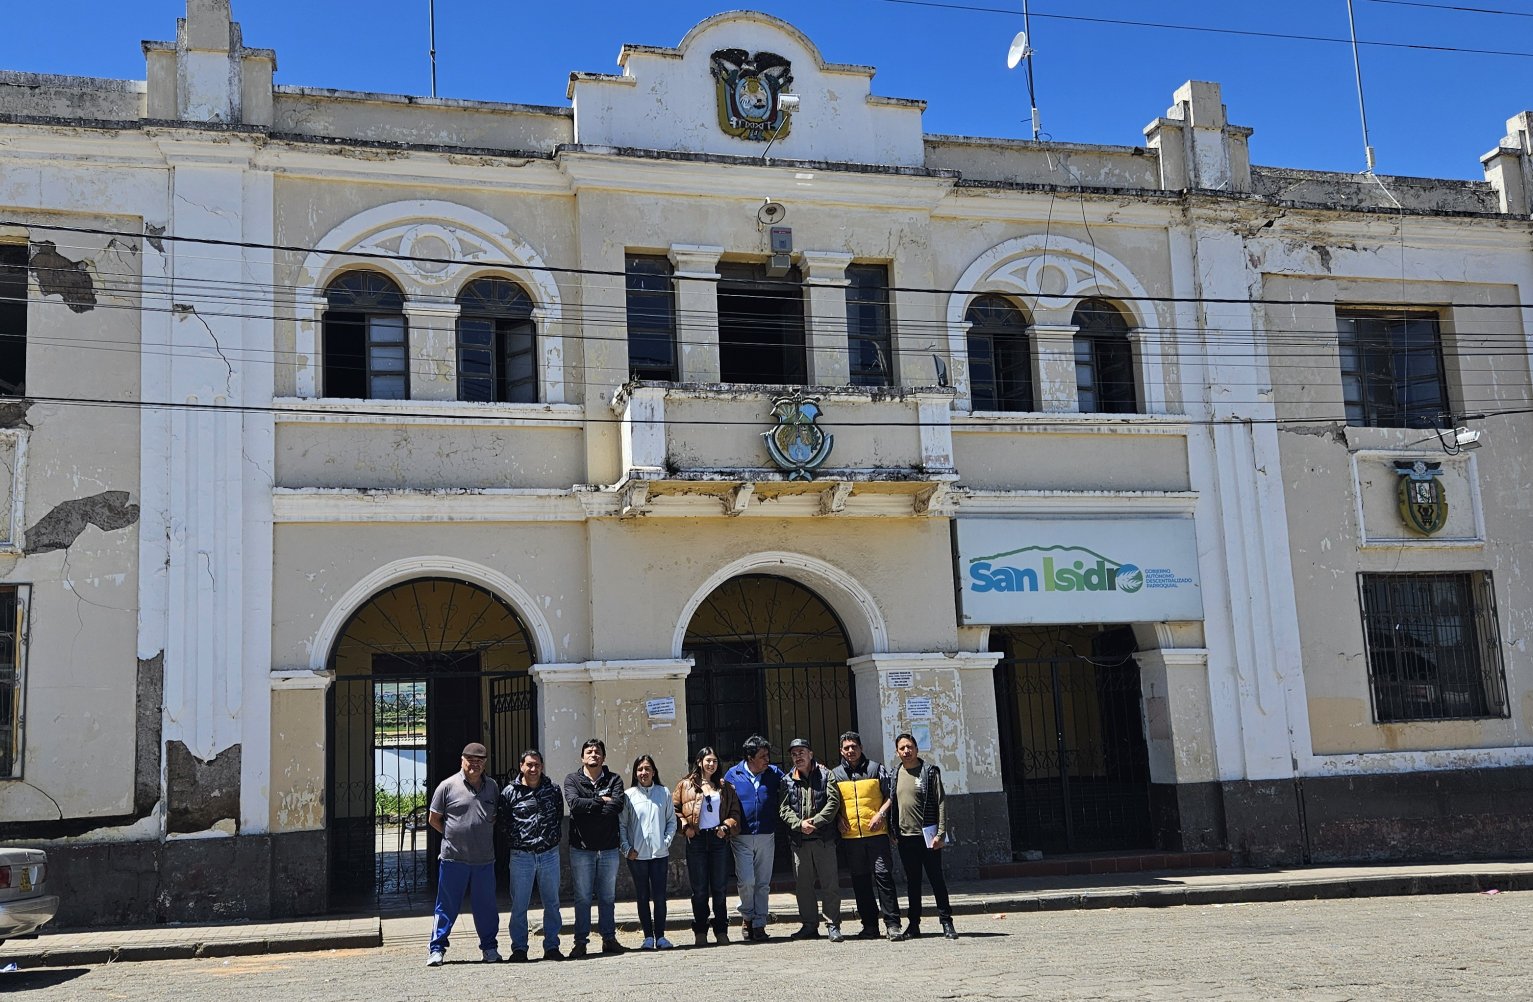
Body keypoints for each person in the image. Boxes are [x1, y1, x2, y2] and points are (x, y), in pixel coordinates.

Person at [426, 741, 501, 966]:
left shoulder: (492, 787)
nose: (475, 764)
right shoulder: (447, 786)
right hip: (453, 859)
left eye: (480, 761)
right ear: (462, 760)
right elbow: (434, 819)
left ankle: (489, 948)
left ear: (485, 763)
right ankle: (436, 949)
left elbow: (494, 816)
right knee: (446, 906)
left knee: (486, 907)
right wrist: (451, 834)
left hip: (484, 860)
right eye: (470, 760)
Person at [825, 730, 905, 941]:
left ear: (861, 748)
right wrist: (837, 818)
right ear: (841, 751)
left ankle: (893, 924)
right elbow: (831, 803)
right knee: (860, 882)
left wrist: (881, 814)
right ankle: (869, 925)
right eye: (846, 748)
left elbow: (891, 796)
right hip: (851, 838)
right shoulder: (834, 775)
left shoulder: (876, 769)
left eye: (854, 746)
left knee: (884, 878)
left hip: (877, 835)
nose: (850, 750)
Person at [498, 748, 566, 963]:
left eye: (537, 765)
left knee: (552, 903)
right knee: (519, 904)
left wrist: (549, 839)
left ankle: (552, 946)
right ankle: (519, 948)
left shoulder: (553, 790)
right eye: (529, 764)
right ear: (521, 766)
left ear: (542, 766)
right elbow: (503, 822)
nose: (533, 769)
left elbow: (558, 815)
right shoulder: (509, 792)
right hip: (522, 856)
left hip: (549, 854)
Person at [673, 745, 743, 946]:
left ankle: (721, 930)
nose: (711, 764)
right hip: (696, 839)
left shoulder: (725, 786)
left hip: (718, 839)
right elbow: (674, 809)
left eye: (714, 761)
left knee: (720, 888)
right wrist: (685, 827)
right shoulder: (685, 785)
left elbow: (735, 813)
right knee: (700, 889)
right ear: (699, 762)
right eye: (708, 760)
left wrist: (726, 827)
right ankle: (700, 930)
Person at [564, 738, 628, 957]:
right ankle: (580, 942)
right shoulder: (572, 779)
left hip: (609, 848)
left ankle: (609, 938)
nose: (594, 755)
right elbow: (574, 805)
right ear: (582, 757)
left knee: (607, 897)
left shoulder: (614, 779)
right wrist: (601, 800)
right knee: (582, 898)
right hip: (581, 849)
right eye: (589, 752)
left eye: (597, 752)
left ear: (603, 757)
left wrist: (591, 806)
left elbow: (617, 805)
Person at [893, 732, 958, 940]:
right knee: (912, 883)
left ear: (916, 749)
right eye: (902, 748)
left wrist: (941, 833)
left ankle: (946, 922)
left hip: (928, 836)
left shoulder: (929, 772)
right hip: (905, 837)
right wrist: (892, 831)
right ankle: (914, 925)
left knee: (936, 879)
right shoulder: (895, 774)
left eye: (909, 747)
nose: (906, 751)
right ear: (897, 752)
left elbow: (941, 802)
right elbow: (892, 803)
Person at [779, 737, 843, 942]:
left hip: (824, 839)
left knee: (829, 884)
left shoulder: (826, 775)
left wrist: (815, 822)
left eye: (801, 752)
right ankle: (809, 925)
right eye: (794, 754)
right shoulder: (787, 780)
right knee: (803, 887)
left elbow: (833, 803)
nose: (798, 757)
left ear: (810, 754)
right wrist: (799, 825)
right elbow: (783, 808)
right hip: (800, 841)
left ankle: (833, 924)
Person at [724, 734, 784, 942]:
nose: (767, 760)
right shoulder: (733, 774)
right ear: (750, 758)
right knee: (747, 881)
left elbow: (792, 782)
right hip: (742, 835)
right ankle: (747, 917)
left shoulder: (774, 773)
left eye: (767, 755)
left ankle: (759, 923)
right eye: (762, 756)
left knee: (763, 882)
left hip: (766, 833)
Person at [619, 754, 678, 950]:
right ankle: (647, 937)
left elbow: (671, 821)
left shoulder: (663, 792)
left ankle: (660, 936)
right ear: (635, 773)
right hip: (637, 856)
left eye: (647, 769)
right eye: (640, 769)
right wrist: (626, 849)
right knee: (642, 896)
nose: (643, 772)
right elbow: (622, 825)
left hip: (659, 855)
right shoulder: (629, 795)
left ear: (654, 772)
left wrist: (666, 842)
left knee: (660, 897)